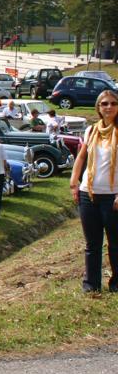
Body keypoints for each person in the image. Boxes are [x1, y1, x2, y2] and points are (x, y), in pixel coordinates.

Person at [70, 89, 118, 293]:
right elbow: (81, 157)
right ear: (98, 107)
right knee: (92, 244)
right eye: (104, 103)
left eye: (113, 103)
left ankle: (116, 284)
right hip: (88, 194)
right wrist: (74, 181)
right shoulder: (91, 131)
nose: (109, 107)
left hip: (112, 196)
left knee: (115, 244)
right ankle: (91, 285)